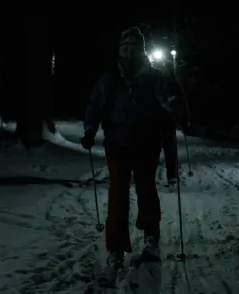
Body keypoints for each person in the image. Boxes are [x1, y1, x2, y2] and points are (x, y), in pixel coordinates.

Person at [81, 27, 190, 269]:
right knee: (118, 194)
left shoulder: (154, 78)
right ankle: (116, 245)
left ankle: (151, 235)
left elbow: (167, 100)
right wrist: (90, 129)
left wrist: (176, 110)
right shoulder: (110, 80)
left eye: (133, 48)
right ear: (119, 51)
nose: (129, 53)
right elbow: (95, 105)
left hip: (146, 141)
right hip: (117, 142)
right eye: (125, 48)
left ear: (141, 52)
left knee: (145, 188)